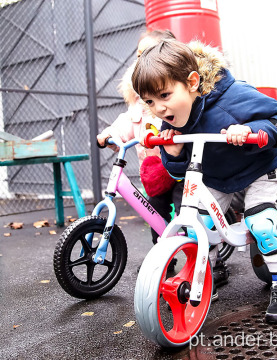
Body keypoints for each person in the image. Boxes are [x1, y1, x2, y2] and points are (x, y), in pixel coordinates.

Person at [132, 39, 277, 324]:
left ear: (193, 82)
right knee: (199, 227)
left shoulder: (233, 96)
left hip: (258, 168)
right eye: (149, 102)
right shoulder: (170, 120)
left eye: (164, 95)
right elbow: (178, 172)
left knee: (262, 223)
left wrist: (250, 130)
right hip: (218, 176)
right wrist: (171, 153)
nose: (158, 108)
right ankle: (203, 279)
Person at [97, 31, 229, 296]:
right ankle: (163, 261)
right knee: (155, 215)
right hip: (155, 172)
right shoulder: (141, 103)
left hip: (183, 170)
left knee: (190, 215)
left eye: (152, 51)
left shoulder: (174, 97)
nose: (144, 58)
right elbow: (126, 121)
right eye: (139, 55)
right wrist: (110, 133)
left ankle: (210, 264)